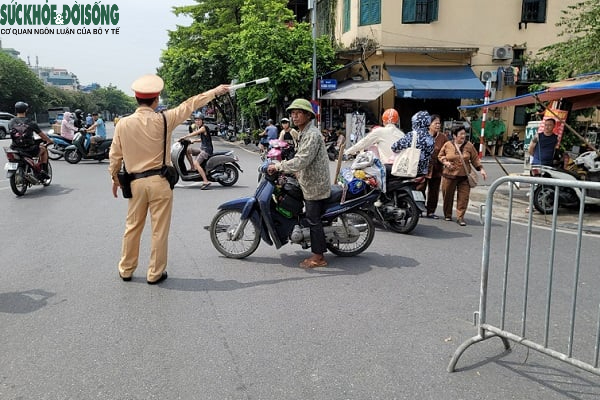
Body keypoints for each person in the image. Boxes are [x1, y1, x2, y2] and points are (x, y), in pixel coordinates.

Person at [108, 74, 230, 284]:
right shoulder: (165, 118)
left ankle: (126, 269)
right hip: (160, 182)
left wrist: (115, 179)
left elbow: (114, 156)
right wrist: (216, 91)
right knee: (159, 230)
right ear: (156, 100)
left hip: (135, 183)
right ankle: (154, 273)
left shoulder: (123, 124)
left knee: (132, 227)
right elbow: (191, 104)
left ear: (136, 98)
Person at [267, 98, 330, 269]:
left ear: (308, 115)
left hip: (315, 184)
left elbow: (302, 160)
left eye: (298, 113)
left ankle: (318, 257)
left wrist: (279, 166)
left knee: (313, 219)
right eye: (292, 113)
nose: (294, 117)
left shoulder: (312, 134)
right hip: (306, 178)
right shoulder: (302, 131)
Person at [438, 126, 488, 226]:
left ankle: (460, 217)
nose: (463, 136)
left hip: (464, 176)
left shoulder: (469, 146)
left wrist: (481, 169)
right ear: (454, 136)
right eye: (461, 134)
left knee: (463, 198)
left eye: (464, 134)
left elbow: (475, 159)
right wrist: (445, 162)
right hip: (449, 175)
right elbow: (440, 155)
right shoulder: (448, 145)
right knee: (447, 195)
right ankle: (447, 214)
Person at [9, 101, 53, 179]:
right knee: (44, 149)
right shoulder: (31, 122)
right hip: (29, 149)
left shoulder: (11, 122)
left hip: (15, 148)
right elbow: (42, 135)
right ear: (26, 110)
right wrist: (49, 141)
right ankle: (44, 171)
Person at [391, 111, 435, 176]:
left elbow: (394, 147)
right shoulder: (431, 138)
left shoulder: (412, 135)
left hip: (409, 170)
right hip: (422, 173)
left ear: (416, 122)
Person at [421, 114, 448, 219]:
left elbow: (448, 150)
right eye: (435, 123)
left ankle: (431, 211)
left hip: (437, 168)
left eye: (439, 123)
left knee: (434, 191)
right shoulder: (422, 135)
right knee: (420, 189)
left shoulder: (443, 137)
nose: (438, 125)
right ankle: (418, 210)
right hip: (423, 168)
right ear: (429, 124)